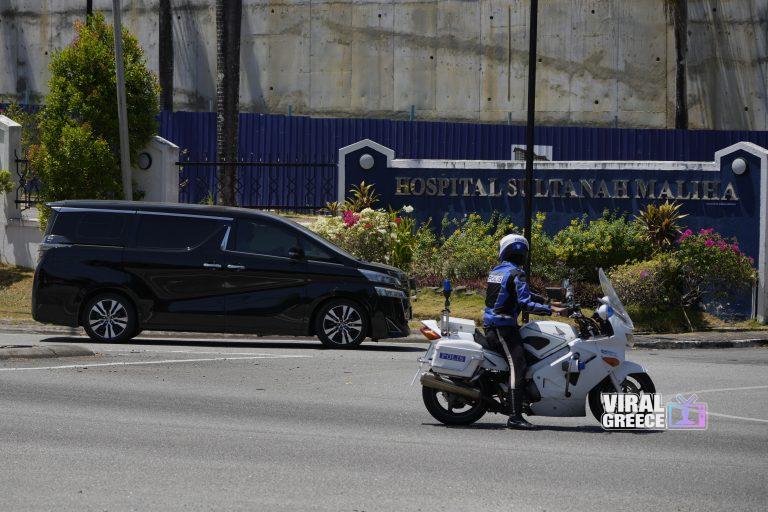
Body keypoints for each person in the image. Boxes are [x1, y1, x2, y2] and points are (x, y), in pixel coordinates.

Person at [483, 233, 566, 429]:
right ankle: (514, 416)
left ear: (504, 251)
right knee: (518, 366)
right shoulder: (517, 273)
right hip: (503, 329)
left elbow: (522, 293)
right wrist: (551, 311)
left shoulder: (498, 271)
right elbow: (524, 302)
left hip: (495, 326)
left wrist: (548, 302)